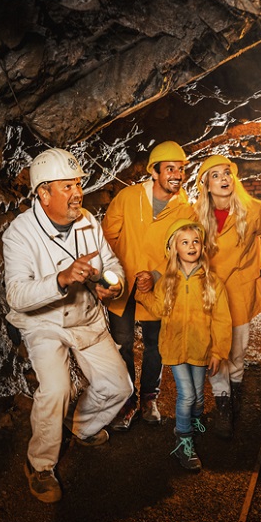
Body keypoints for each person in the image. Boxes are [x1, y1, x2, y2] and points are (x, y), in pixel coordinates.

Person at [3, 148, 132, 503]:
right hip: (43, 323)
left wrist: (114, 284)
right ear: (43, 193)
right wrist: (60, 279)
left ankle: (83, 427)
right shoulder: (20, 233)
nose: (78, 193)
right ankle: (40, 466)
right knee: (57, 388)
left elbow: (112, 264)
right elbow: (16, 294)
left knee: (120, 387)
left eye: (78, 184)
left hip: (85, 316)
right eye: (67, 187)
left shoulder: (88, 221)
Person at [194, 154, 261, 439]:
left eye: (227, 173)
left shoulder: (252, 209)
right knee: (214, 349)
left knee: (237, 349)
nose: (224, 179)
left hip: (238, 288)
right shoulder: (194, 213)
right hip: (209, 291)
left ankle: (235, 392)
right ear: (206, 185)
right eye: (216, 175)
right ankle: (223, 404)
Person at [102, 141, 196, 430]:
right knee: (123, 345)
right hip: (122, 287)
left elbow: (184, 252)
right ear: (154, 171)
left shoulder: (186, 211)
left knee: (156, 346)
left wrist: (155, 275)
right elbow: (106, 237)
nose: (177, 174)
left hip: (158, 288)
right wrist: (118, 272)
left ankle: (149, 400)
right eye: (170, 168)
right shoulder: (128, 197)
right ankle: (127, 401)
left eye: (181, 169)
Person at [134, 220, 231, 472]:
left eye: (195, 242)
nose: (191, 246)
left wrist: (219, 351)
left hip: (200, 349)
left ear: (202, 246)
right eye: (184, 242)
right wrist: (142, 295)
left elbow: (222, 319)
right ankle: (184, 441)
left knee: (198, 398)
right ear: (174, 248)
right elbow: (158, 309)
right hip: (175, 348)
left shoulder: (212, 283)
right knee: (186, 395)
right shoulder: (167, 281)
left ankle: (193, 421)